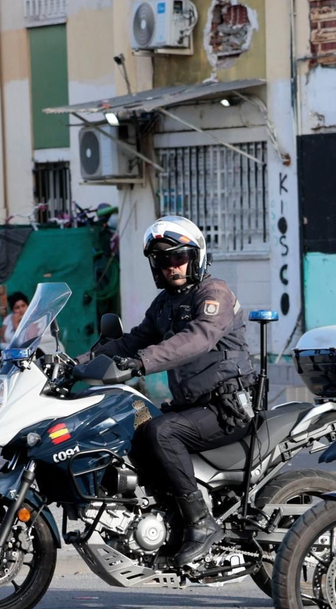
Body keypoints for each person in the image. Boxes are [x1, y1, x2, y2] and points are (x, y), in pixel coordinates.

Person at [78, 216, 256, 569]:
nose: (172, 266)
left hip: (227, 409)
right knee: (135, 418)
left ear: (196, 257)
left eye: (179, 257)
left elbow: (197, 338)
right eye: (163, 260)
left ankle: (201, 524)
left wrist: (140, 363)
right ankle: (166, 512)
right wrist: (74, 363)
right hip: (192, 408)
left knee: (162, 431)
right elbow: (130, 341)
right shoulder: (164, 305)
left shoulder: (214, 293)